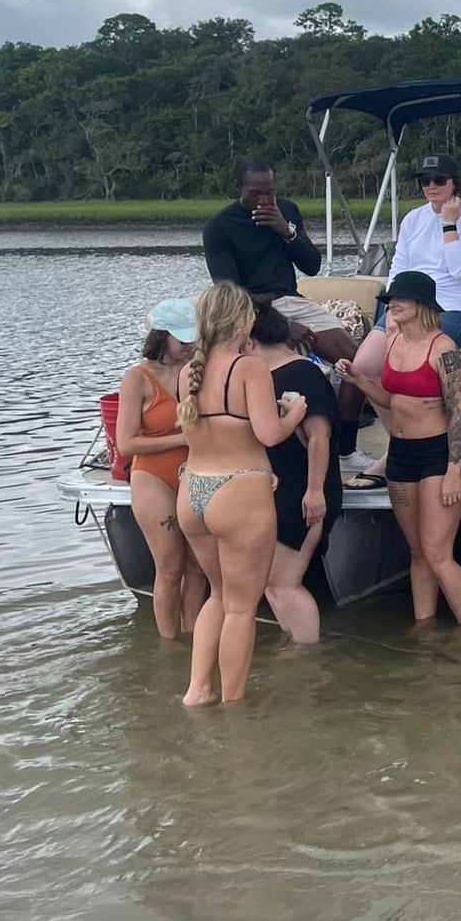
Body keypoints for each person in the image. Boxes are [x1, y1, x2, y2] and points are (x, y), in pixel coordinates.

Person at [175, 282, 310, 705]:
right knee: (240, 607)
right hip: (239, 489)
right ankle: (234, 706)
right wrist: (295, 415)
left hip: (193, 490)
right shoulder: (247, 368)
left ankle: (197, 691)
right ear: (243, 320)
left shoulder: (186, 373)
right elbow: (269, 434)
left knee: (217, 595)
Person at [334, 272, 461, 627]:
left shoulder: (443, 349)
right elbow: (393, 400)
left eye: (399, 300)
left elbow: (459, 412)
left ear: (422, 305)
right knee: (417, 552)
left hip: (439, 455)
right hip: (400, 454)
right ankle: (424, 627)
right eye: (389, 301)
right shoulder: (394, 341)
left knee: (437, 553)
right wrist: (360, 380)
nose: (391, 305)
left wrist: (453, 471)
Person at [340, 152, 461, 482]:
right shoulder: (413, 220)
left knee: (415, 363)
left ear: (455, 184)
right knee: (364, 365)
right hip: (409, 301)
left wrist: (449, 224)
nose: (431, 187)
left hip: (453, 305)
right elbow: (399, 268)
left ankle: (423, 448)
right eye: (425, 181)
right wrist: (392, 308)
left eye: (439, 180)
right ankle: (399, 443)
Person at [201, 157, 359, 366]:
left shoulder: (287, 211)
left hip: (292, 300)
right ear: (239, 188)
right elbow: (232, 295)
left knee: (358, 362)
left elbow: (312, 267)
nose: (264, 200)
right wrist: (284, 325)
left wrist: (286, 231)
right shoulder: (219, 228)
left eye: (269, 193)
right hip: (250, 311)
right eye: (255, 193)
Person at [113, 298, 208, 640]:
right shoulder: (137, 378)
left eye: (192, 341)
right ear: (161, 336)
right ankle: (169, 644)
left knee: (198, 566)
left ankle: (195, 635)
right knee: (169, 567)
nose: (188, 347)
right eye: (182, 341)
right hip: (152, 475)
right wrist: (181, 438)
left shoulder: (198, 370)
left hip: (193, 473)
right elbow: (127, 444)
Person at [248, 303, 340, 644]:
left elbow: (319, 435)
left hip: (303, 489)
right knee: (271, 582)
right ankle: (295, 644)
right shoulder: (264, 376)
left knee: (284, 581)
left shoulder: (301, 373)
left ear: (250, 341)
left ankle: (307, 655)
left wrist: (315, 491)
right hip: (276, 488)